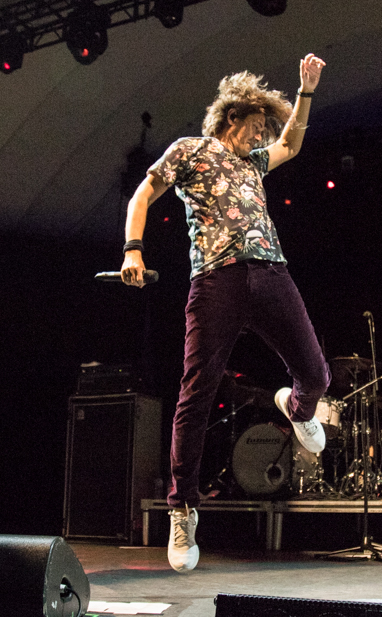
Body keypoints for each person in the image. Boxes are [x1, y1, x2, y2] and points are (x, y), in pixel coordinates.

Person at [122, 53, 332, 572]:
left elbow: (292, 144)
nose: (262, 136)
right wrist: (133, 249)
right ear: (232, 117)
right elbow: (142, 194)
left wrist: (305, 91)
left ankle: (298, 408)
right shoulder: (189, 150)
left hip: (271, 272)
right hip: (217, 279)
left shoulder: (254, 162)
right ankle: (182, 509)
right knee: (196, 393)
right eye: (257, 125)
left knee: (316, 374)